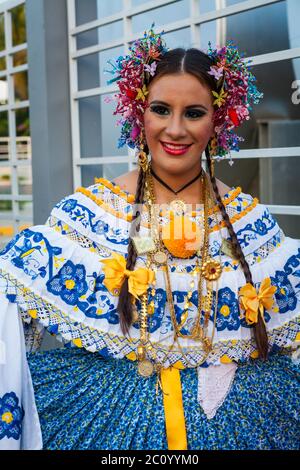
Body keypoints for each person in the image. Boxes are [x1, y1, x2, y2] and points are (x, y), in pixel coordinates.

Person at [0, 26, 299, 451]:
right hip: (103, 426)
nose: (175, 129)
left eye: (194, 113)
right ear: (138, 112)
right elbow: (13, 292)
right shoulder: (88, 216)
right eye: (161, 109)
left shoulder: (250, 221)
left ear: (219, 119)